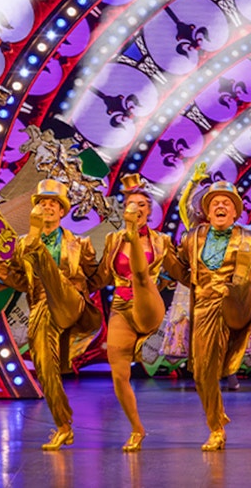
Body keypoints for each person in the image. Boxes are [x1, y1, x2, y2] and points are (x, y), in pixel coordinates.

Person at [169, 179, 251, 451]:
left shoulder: (249, 239)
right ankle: (217, 421)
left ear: (235, 212)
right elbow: (184, 271)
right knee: (200, 373)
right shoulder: (193, 238)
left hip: (234, 306)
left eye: (226, 203)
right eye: (214, 202)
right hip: (203, 307)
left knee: (211, 369)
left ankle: (216, 429)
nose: (220, 205)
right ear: (206, 211)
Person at [0, 178, 99, 450]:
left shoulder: (81, 243)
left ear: (62, 210)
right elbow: (21, 281)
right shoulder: (21, 245)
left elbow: (95, 277)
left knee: (50, 271)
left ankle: (42, 256)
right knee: (44, 368)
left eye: (53, 204)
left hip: (70, 300)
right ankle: (63, 425)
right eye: (42, 203)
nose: (47, 207)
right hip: (42, 305)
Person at [94, 175, 179, 451]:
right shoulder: (112, 240)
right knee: (119, 374)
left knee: (141, 277)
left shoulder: (161, 241)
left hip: (149, 303)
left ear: (149, 212)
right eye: (131, 204)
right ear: (124, 209)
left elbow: (179, 272)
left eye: (142, 205)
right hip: (122, 306)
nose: (137, 209)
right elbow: (102, 276)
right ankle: (137, 429)